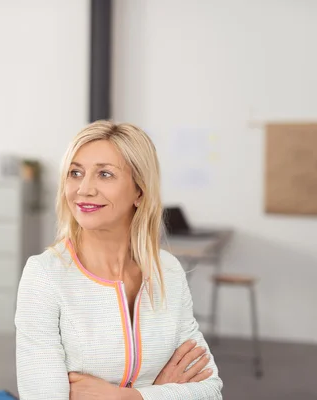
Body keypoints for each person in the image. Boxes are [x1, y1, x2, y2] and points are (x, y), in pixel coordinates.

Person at [14, 121, 223, 399]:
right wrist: (161, 391)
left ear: (139, 190)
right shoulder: (44, 276)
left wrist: (126, 397)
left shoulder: (167, 271)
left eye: (105, 174)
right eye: (75, 173)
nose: (84, 189)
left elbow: (209, 390)